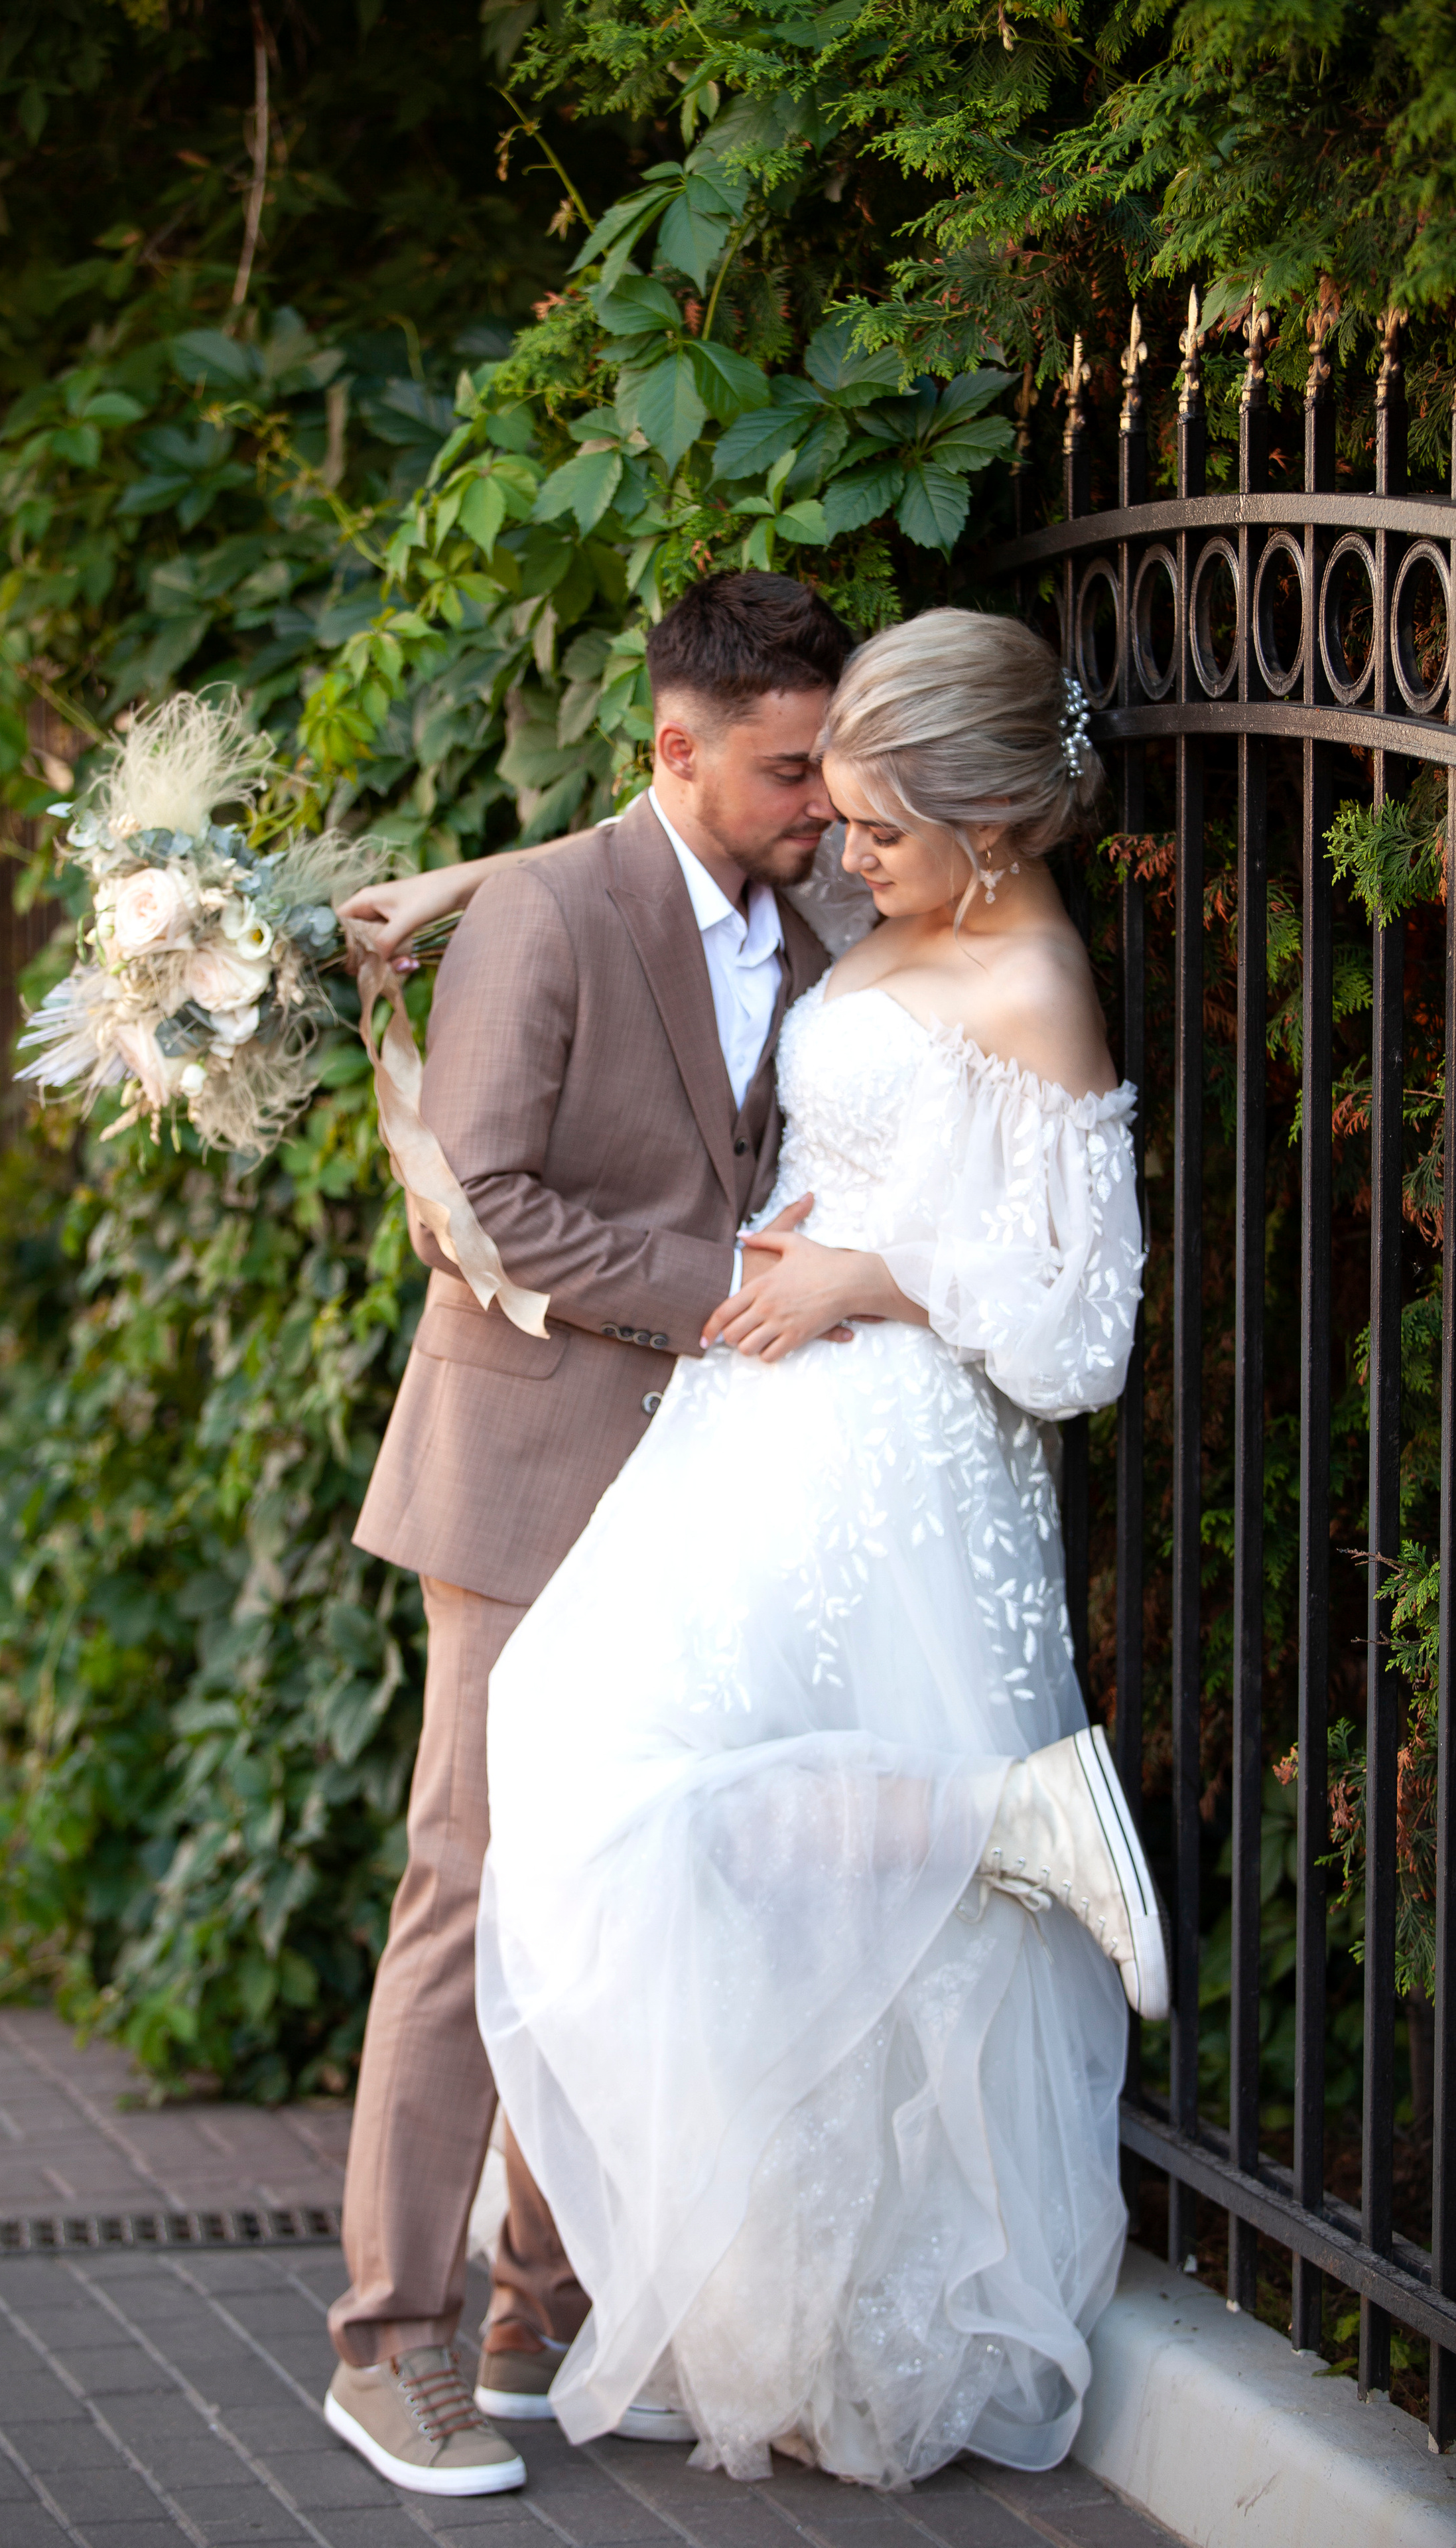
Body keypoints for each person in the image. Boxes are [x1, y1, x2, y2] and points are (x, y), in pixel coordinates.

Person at [472, 609, 1159, 2492]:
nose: (841, 860)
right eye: (837, 815)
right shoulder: (899, 915)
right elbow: (695, 921)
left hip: (907, 1459)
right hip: (758, 1430)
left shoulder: (1032, 979)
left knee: (693, 1810)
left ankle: (994, 1841)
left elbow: (1083, 1335)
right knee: (584, 1759)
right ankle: (994, 1829)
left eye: (879, 830)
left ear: (992, 831)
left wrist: (874, 1275)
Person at [322, 571, 851, 2498]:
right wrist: (731, 1285)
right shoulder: (551, 912)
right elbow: (483, 1206)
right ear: (675, 750)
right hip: (529, 1479)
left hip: (717, 1503)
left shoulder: (829, 911)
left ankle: (542, 2311)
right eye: (792, 771)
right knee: (470, 1895)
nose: (824, 802)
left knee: (642, 1903)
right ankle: (389, 2346)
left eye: (835, 766)